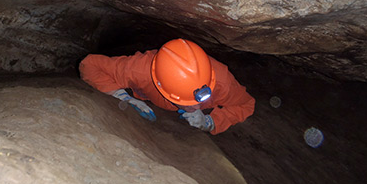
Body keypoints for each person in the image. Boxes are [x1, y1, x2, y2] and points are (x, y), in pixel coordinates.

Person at [79, 38, 255, 135]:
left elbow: (247, 104)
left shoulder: (222, 82)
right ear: (160, 86)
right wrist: (122, 96)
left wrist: (210, 122)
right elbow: (90, 65)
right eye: (186, 102)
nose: (196, 107)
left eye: (200, 99)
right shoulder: (140, 70)